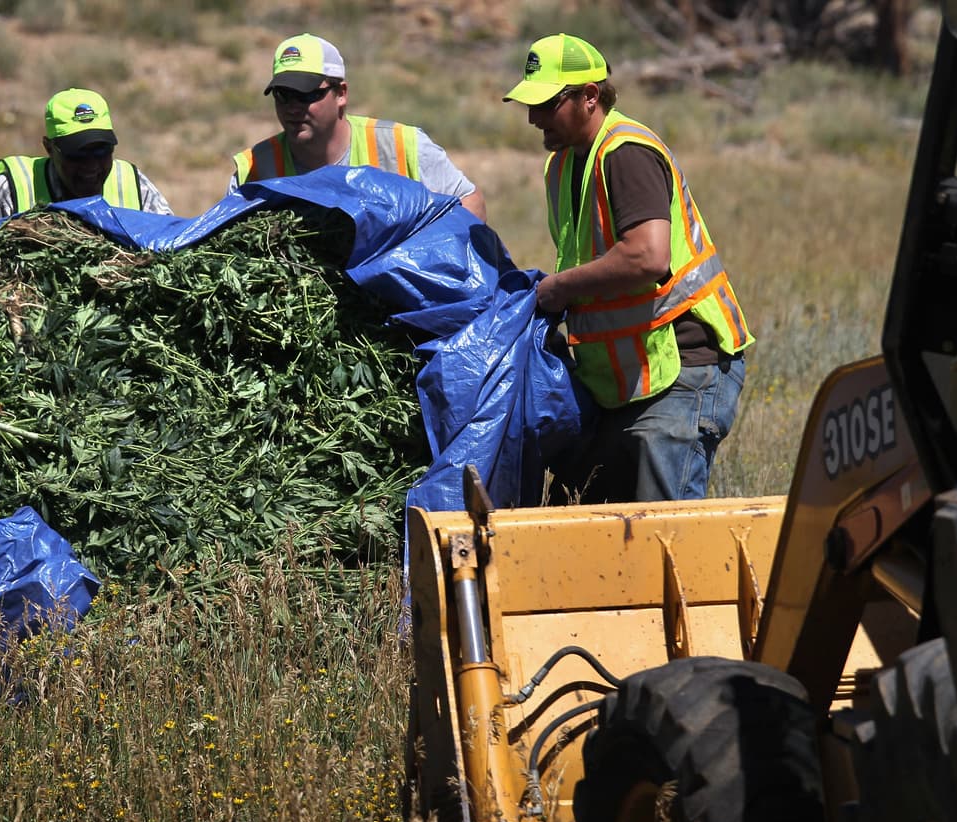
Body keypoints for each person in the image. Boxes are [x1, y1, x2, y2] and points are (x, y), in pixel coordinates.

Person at [503, 34, 753, 504]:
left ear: (589, 97)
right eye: (529, 105)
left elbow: (646, 257)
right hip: (629, 381)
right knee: (580, 519)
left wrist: (556, 289)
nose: (533, 117)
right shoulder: (563, 167)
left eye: (546, 104)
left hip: (682, 369)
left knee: (662, 535)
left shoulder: (625, 151)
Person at [229, 33, 487, 222]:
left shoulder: (400, 145)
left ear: (341, 93)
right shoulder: (253, 169)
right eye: (283, 95)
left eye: (306, 95)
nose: (293, 108)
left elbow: (469, 201)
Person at [0, 88, 172, 224]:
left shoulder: (134, 187)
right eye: (78, 153)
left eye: (102, 150)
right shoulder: (6, 192)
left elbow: (171, 244)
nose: (91, 165)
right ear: (48, 148)